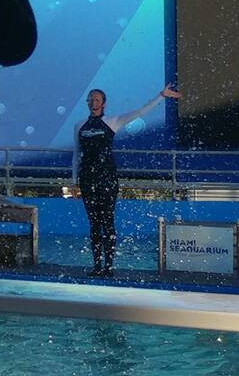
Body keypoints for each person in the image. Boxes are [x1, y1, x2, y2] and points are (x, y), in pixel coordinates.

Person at [75, 83, 181, 277]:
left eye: (97, 99)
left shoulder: (112, 121)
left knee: (107, 220)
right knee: (94, 223)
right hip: (87, 178)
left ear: (103, 103)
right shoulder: (80, 125)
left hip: (107, 177)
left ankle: (108, 266)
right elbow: (77, 154)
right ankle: (96, 265)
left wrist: (161, 96)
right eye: (90, 99)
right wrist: (75, 179)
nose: (93, 102)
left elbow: (140, 111)